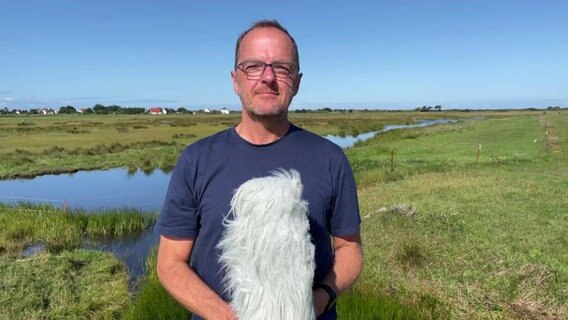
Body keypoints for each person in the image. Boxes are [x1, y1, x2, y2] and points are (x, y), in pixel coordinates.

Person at [155, 19, 363, 320]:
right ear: (235, 80)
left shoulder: (330, 159)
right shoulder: (196, 160)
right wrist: (227, 316)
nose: (267, 78)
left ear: (298, 81)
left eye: (281, 67)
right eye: (253, 66)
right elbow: (170, 263)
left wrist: (315, 304)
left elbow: (350, 249)